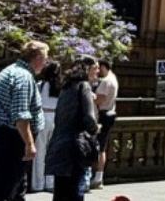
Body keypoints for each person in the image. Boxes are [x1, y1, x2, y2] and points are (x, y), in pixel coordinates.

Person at [0, 40, 49, 201]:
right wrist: (29, 143)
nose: (46, 63)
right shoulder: (23, 77)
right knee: (3, 190)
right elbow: (21, 115)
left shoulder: (10, 71)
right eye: (45, 58)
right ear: (38, 57)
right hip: (11, 139)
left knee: (16, 188)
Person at [45, 58, 99, 201]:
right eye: (95, 68)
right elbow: (89, 117)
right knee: (76, 192)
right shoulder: (84, 86)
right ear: (87, 68)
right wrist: (95, 129)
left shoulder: (66, 87)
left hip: (59, 144)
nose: (97, 72)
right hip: (75, 147)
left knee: (60, 193)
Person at [32, 61, 61, 192]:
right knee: (53, 152)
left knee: (39, 151)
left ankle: (37, 183)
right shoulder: (61, 87)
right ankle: (50, 182)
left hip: (43, 116)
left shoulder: (41, 85)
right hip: (56, 117)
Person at [90, 58, 118, 189]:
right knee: (102, 146)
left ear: (103, 67)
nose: (97, 71)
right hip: (110, 113)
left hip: (103, 115)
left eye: (98, 68)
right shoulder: (113, 79)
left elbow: (99, 100)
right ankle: (98, 177)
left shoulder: (106, 81)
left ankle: (96, 177)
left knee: (99, 146)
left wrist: (88, 95)